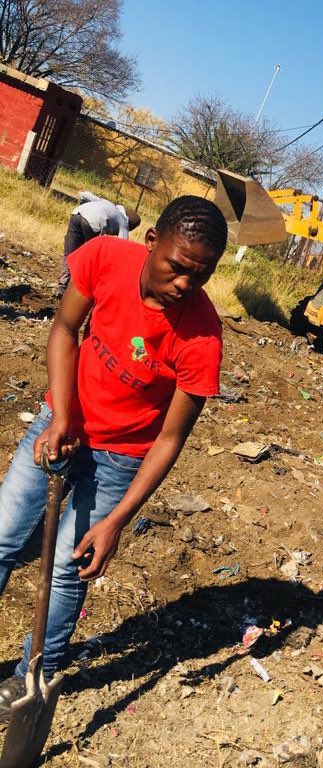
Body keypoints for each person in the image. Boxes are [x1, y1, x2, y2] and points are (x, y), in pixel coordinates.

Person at [0, 196, 227, 721]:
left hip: (119, 460)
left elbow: (169, 439)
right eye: (176, 268)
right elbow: (64, 329)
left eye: (202, 275)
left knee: (64, 568)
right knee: (5, 533)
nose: (185, 286)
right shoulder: (104, 256)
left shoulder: (201, 336)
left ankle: (32, 678)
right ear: (150, 244)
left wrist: (118, 521)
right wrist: (61, 414)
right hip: (61, 421)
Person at [56, 191, 141, 296]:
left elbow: (83, 194)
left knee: (70, 252)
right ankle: (79, 290)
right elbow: (121, 246)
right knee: (90, 259)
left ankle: (62, 286)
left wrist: (84, 208)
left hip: (77, 214)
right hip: (94, 223)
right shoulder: (123, 223)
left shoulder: (107, 204)